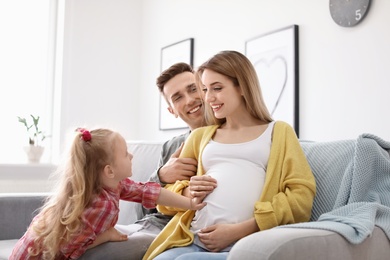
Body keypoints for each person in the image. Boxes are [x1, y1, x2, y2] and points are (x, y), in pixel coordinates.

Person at [144, 50, 317, 260]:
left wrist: (244, 229)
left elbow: (301, 196)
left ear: (242, 87)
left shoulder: (278, 132)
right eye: (205, 89)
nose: (208, 98)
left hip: (243, 243)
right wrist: (188, 193)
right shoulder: (200, 137)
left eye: (217, 88)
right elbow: (164, 202)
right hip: (193, 237)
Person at [78, 62, 217, 260]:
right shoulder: (172, 146)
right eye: (177, 98)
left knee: (96, 254)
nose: (189, 100)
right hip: (148, 224)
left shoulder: (226, 139)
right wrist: (161, 176)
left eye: (193, 89)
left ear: (205, 90)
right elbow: (142, 210)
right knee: (78, 240)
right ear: (172, 111)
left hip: (175, 229)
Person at [9, 128, 206, 260]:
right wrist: (106, 235)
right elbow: (70, 250)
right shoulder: (98, 206)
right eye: (125, 153)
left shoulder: (114, 184)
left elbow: (151, 193)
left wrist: (190, 203)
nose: (131, 155)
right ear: (109, 170)